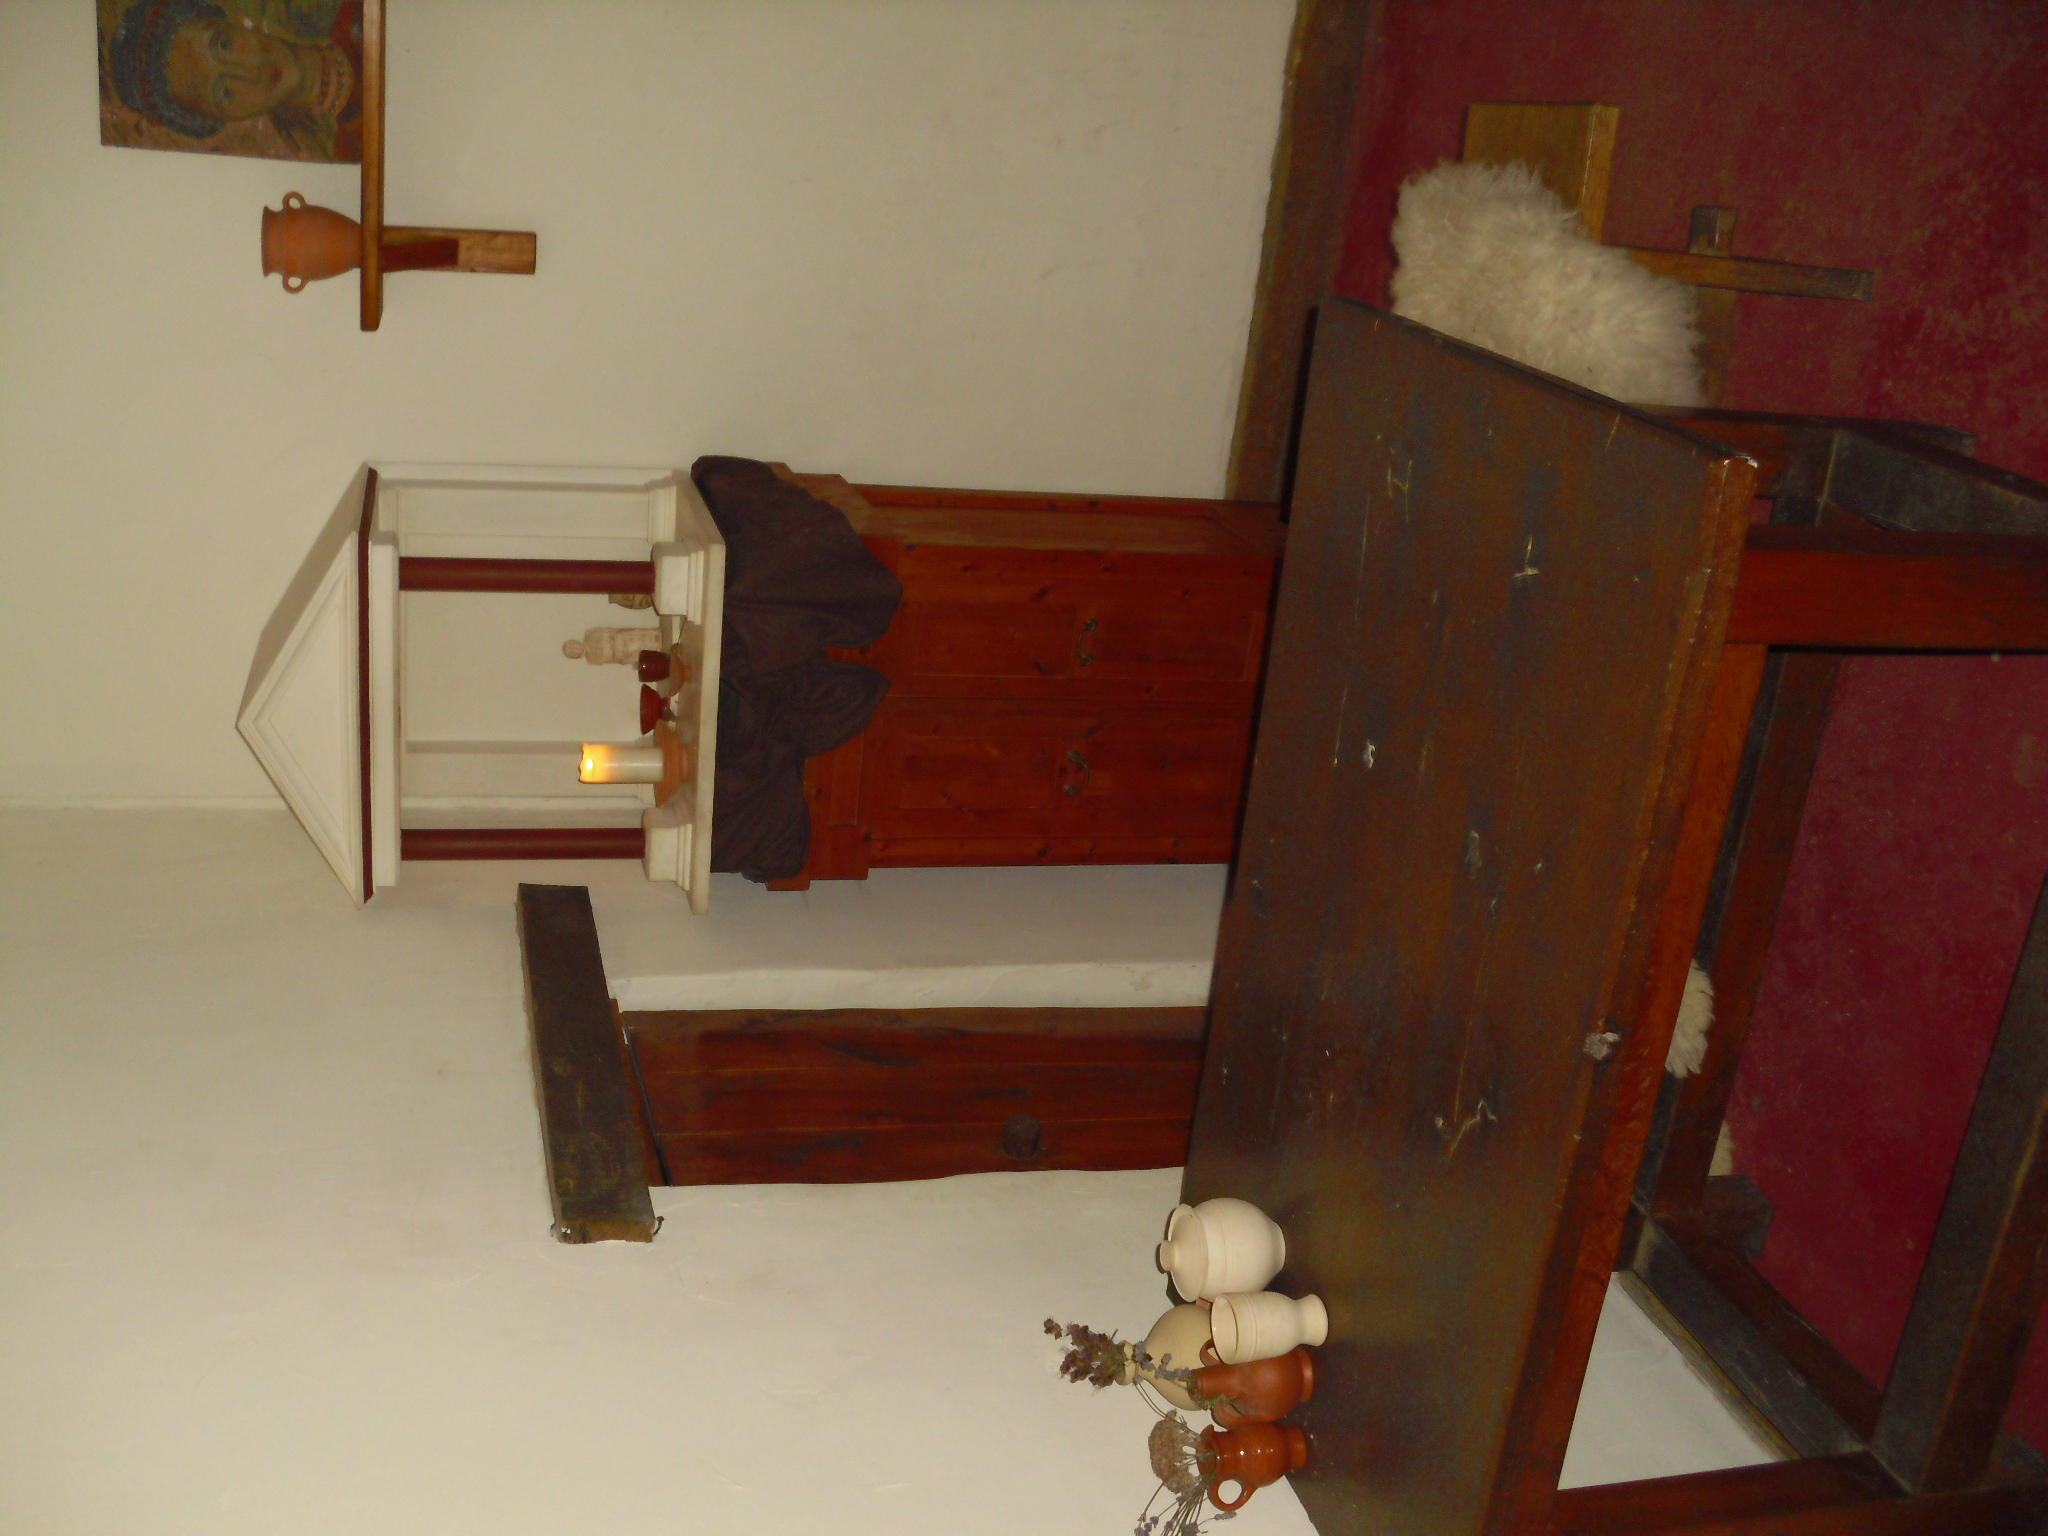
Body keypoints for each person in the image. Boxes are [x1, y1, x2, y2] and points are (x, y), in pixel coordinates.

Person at [106, 0, 363, 161]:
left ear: (233, 22)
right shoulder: (346, 151)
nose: (248, 72)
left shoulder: (357, 11)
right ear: (220, 120)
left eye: (224, 45)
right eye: (225, 93)